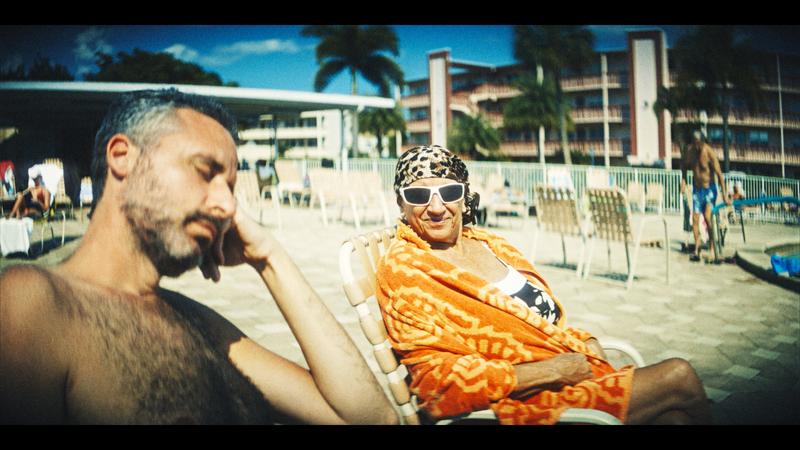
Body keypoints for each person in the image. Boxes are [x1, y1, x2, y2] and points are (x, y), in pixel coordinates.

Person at [0, 89, 397, 425]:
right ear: (123, 157)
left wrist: (270, 259)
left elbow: (368, 416)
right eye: (205, 171)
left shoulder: (192, 320)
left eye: (231, 185)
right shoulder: (33, 303)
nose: (228, 205)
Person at [376, 145, 712, 425]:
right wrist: (552, 370)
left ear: (464, 197)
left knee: (675, 419)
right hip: (524, 401)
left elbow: (541, 322)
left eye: (448, 191)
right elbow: (435, 383)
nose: (436, 208)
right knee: (679, 376)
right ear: (401, 204)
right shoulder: (408, 269)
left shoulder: (491, 243)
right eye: (419, 194)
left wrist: (583, 340)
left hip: (569, 369)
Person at [681, 131, 731, 262]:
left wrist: (725, 195)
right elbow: (684, 166)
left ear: (703, 142)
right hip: (697, 190)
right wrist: (683, 180)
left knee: (708, 217)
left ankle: (712, 248)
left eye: (699, 144)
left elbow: (720, 175)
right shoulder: (690, 151)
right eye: (695, 144)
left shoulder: (709, 153)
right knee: (695, 219)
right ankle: (697, 248)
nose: (697, 147)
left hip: (709, 190)